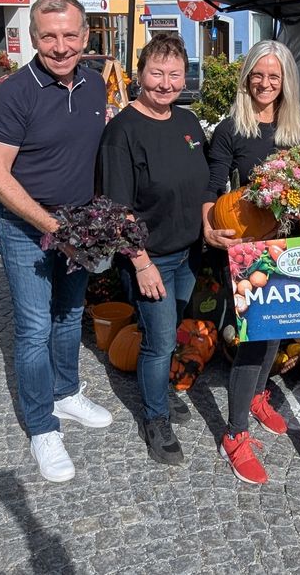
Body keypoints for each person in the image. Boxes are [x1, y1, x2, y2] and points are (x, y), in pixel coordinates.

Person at [0, 0, 112, 483]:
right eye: (49, 36)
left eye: (70, 35)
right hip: (25, 228)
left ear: (85, 37)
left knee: (70, 314)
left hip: (79, 226)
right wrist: (55, 228)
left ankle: (67, 390)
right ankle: (41, 425)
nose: (60, 46)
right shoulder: (14, 92)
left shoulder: (96, 85)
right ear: (34, 39)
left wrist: (99, 222)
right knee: (34, 328)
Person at [100, 33, 209, 465]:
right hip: (152, 259)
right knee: (159, 342)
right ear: (139, 73)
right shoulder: (122, 132)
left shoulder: (186, 123)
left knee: (170, 330)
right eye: (156, 73)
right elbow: (116, 209)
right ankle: (155, 418)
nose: (165, 83)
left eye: (175, 74)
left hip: (187, 253)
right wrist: (141, 264)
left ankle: (160, 390)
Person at [202, 40, 300, 484]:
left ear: (285, 83)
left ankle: (260, 395)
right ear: (246, 78)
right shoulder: (230, 130)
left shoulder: (298, 130)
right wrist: (208, 228)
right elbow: (210, 188)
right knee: (252, 338)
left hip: (289, 242)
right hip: (247, 248)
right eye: (258, 75)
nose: (265, 83)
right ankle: (235, 432)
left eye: (274, 76)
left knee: (277, 330)